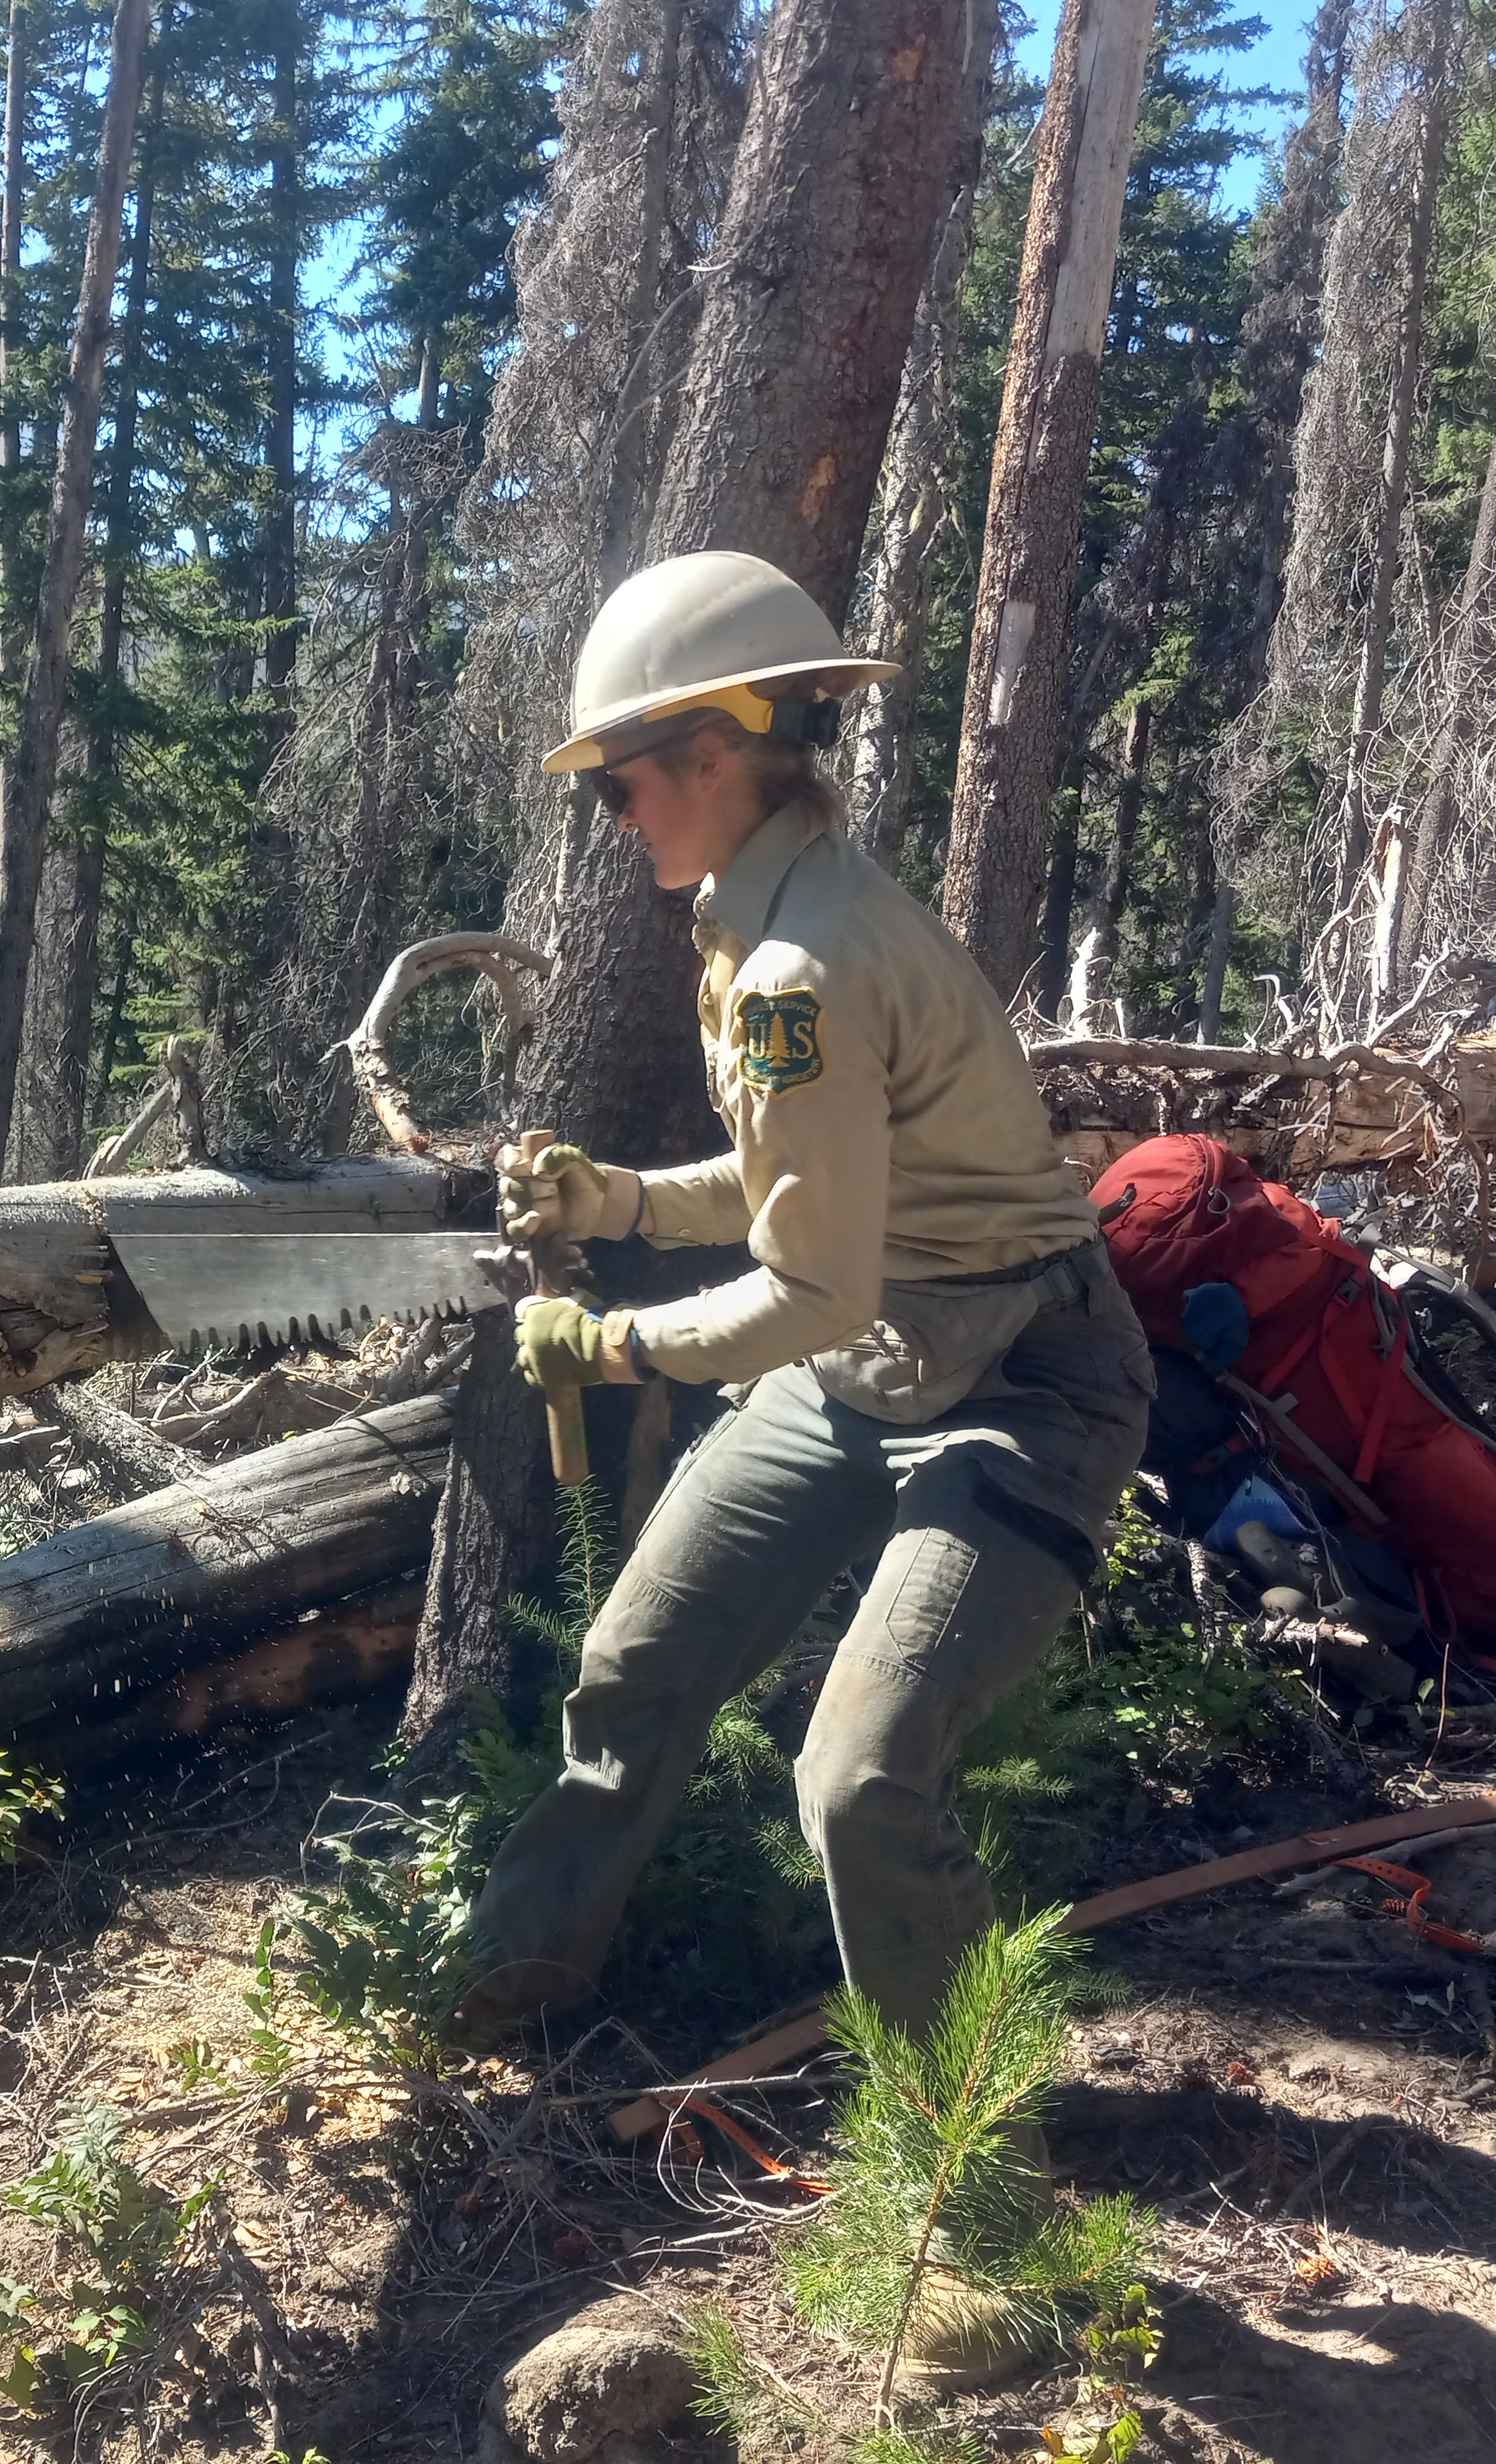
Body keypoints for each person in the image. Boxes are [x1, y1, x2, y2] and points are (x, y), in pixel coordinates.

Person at [466, 550, 1154, 2043]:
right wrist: (622, 1202)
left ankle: (962, 2150)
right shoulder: (762, 919)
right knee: (635, 1673)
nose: (617, 818)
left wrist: (613, 1341)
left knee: (858, 1781)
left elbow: (813, 1286)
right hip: (872, 1355)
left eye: (621, 786)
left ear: (712, 756)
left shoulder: (799, 963)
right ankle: (496, 1998)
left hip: (1021, 1383)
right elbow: (814, 1184)